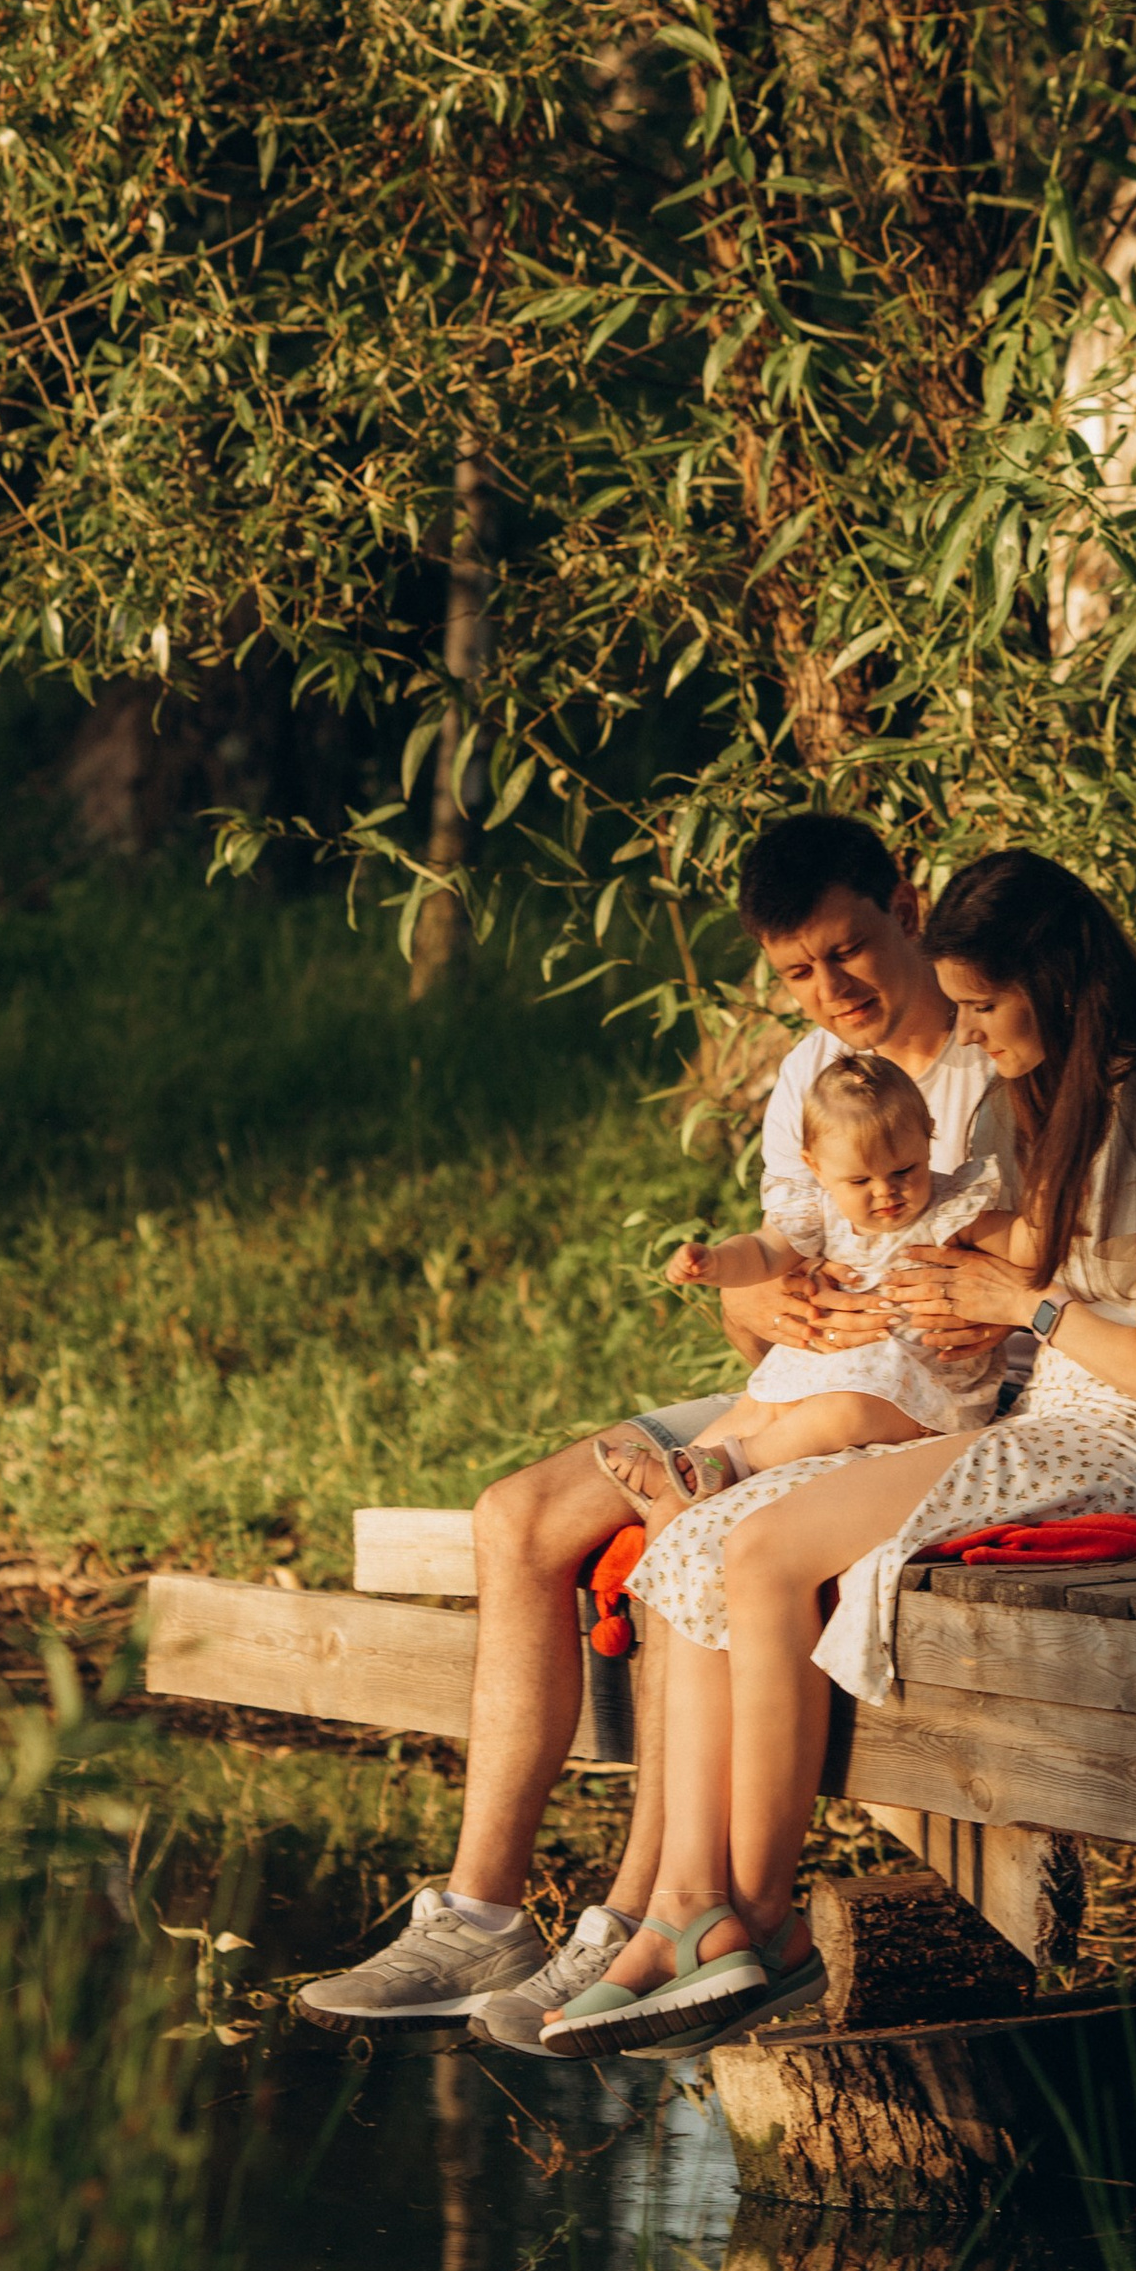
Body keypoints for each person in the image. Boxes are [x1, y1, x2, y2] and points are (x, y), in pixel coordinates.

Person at [540, 848, 1136, 2058]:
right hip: (1055, 1417)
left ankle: (761, 1924)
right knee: (711, 1535)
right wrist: (939, 1295)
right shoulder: (1072, 1092)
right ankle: (690, 1909)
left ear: (1054, 981)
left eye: (986, 1007)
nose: (976, 1037)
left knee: (771, 1549)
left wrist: (1010, 1302)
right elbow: (1024, 1258)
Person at [296, 811, 1006, 2041]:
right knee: (515, 1519)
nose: (831, 991)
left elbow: (1018, 1295)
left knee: (696, 1528)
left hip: (907, 1408)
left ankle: (628, 1924)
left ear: (906, 899)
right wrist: (753, 1292)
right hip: (787, 1388)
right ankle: (478, 1917)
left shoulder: (993, 1062)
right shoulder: (806, 1074)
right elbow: (763, 1292)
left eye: (848, 951)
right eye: (796, 972)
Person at [625, 1053, 1005, 1500]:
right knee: (759, 1406)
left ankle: (737, 1462)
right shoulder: (820, 1213)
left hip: (922, 1392)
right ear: (817, 1167)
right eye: (860, 1181)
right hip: (834, 1365)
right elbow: (764, 1253)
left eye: (905, 1170)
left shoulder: (950, 1210)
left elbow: (1022, 1247)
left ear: (928, 1138)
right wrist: (717, 1262)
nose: (886, 1191)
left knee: (842, 1412)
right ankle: (684, 1469)